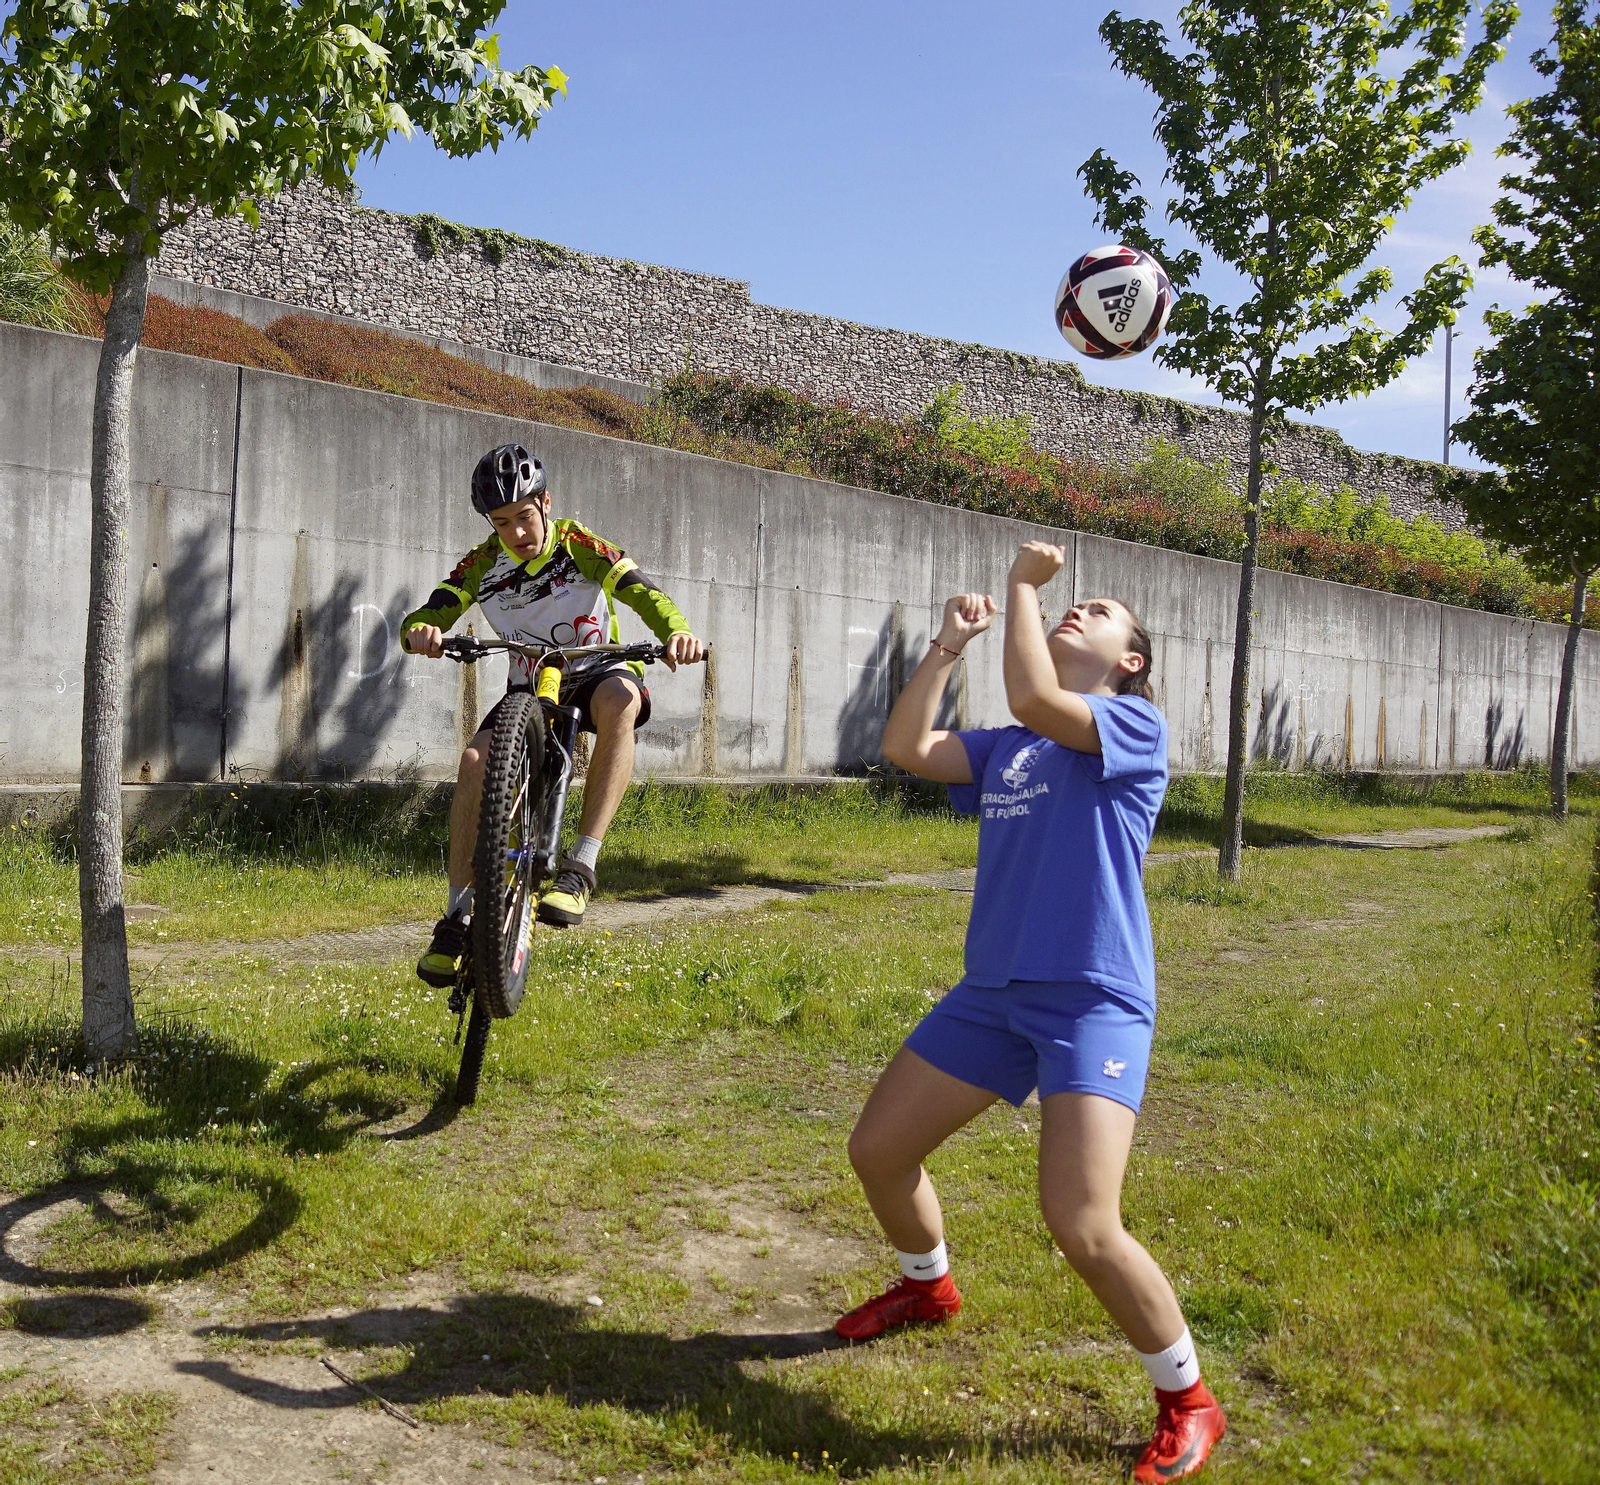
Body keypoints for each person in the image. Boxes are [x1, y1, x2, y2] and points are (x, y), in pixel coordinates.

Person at [836, 541, 1226, 1483]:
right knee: (878, 1151)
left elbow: (1037, 699)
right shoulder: (1013, 748)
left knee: (1083, 1219)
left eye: (1096, 612)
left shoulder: (1134, 727)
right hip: (993, 994)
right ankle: (928, 1290)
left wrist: (1018, 587)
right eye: (1068, 604)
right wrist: (944, 649)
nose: (1073, 611)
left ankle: (1189, 1399)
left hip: (1093, 999)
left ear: (1130, 660)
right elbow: (906, 749)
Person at [401, 443, 704, 980]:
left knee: (623, 702)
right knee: (474, 762)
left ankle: (581, 866)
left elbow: (642, 593)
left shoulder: (578, 543)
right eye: (502, 523)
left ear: (545, 503)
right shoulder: (482, 564)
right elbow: (430, 611)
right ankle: (455, 918)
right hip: (528, 687)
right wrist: (421, 631)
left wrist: (676, 632)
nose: (517, 534)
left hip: (595, 671)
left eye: (523, 517)